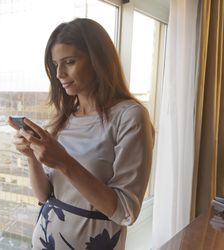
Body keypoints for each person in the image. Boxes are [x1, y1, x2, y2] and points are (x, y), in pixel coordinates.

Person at [8, 18, 154, 250]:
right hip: (45, 240)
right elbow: (45, 195)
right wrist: (31, 158)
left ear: (99, 61)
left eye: (70, 62)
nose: (59, 74)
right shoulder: (63, 118)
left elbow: (126, 212)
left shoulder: (130, 116)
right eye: (55, 64)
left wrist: (64, 161)